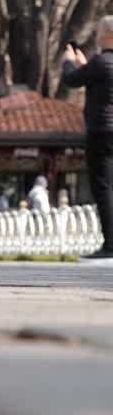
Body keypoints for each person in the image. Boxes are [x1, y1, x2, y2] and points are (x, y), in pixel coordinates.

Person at [62, 18, 113, 258]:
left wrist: (69, 63)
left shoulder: (102, 62)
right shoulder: (100, 64)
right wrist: (86, 66)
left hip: (102, 132)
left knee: (102, 186)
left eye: (98, 33)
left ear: (105, 35)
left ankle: (110, 244)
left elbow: (71, 80)